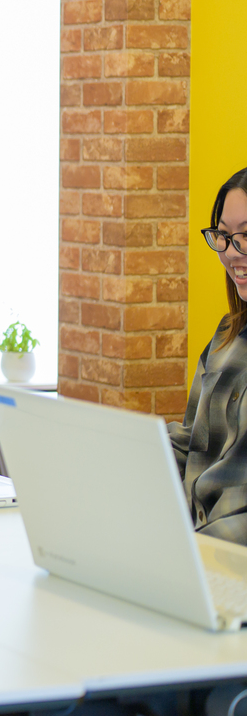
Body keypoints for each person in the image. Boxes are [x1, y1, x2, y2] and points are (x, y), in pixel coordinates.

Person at [170, 166, 247, 545]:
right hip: (192, 538)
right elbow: (190, 442)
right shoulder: (225, 339)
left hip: (228, 549)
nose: (231, 252)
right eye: (224, 236)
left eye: (246, 235)